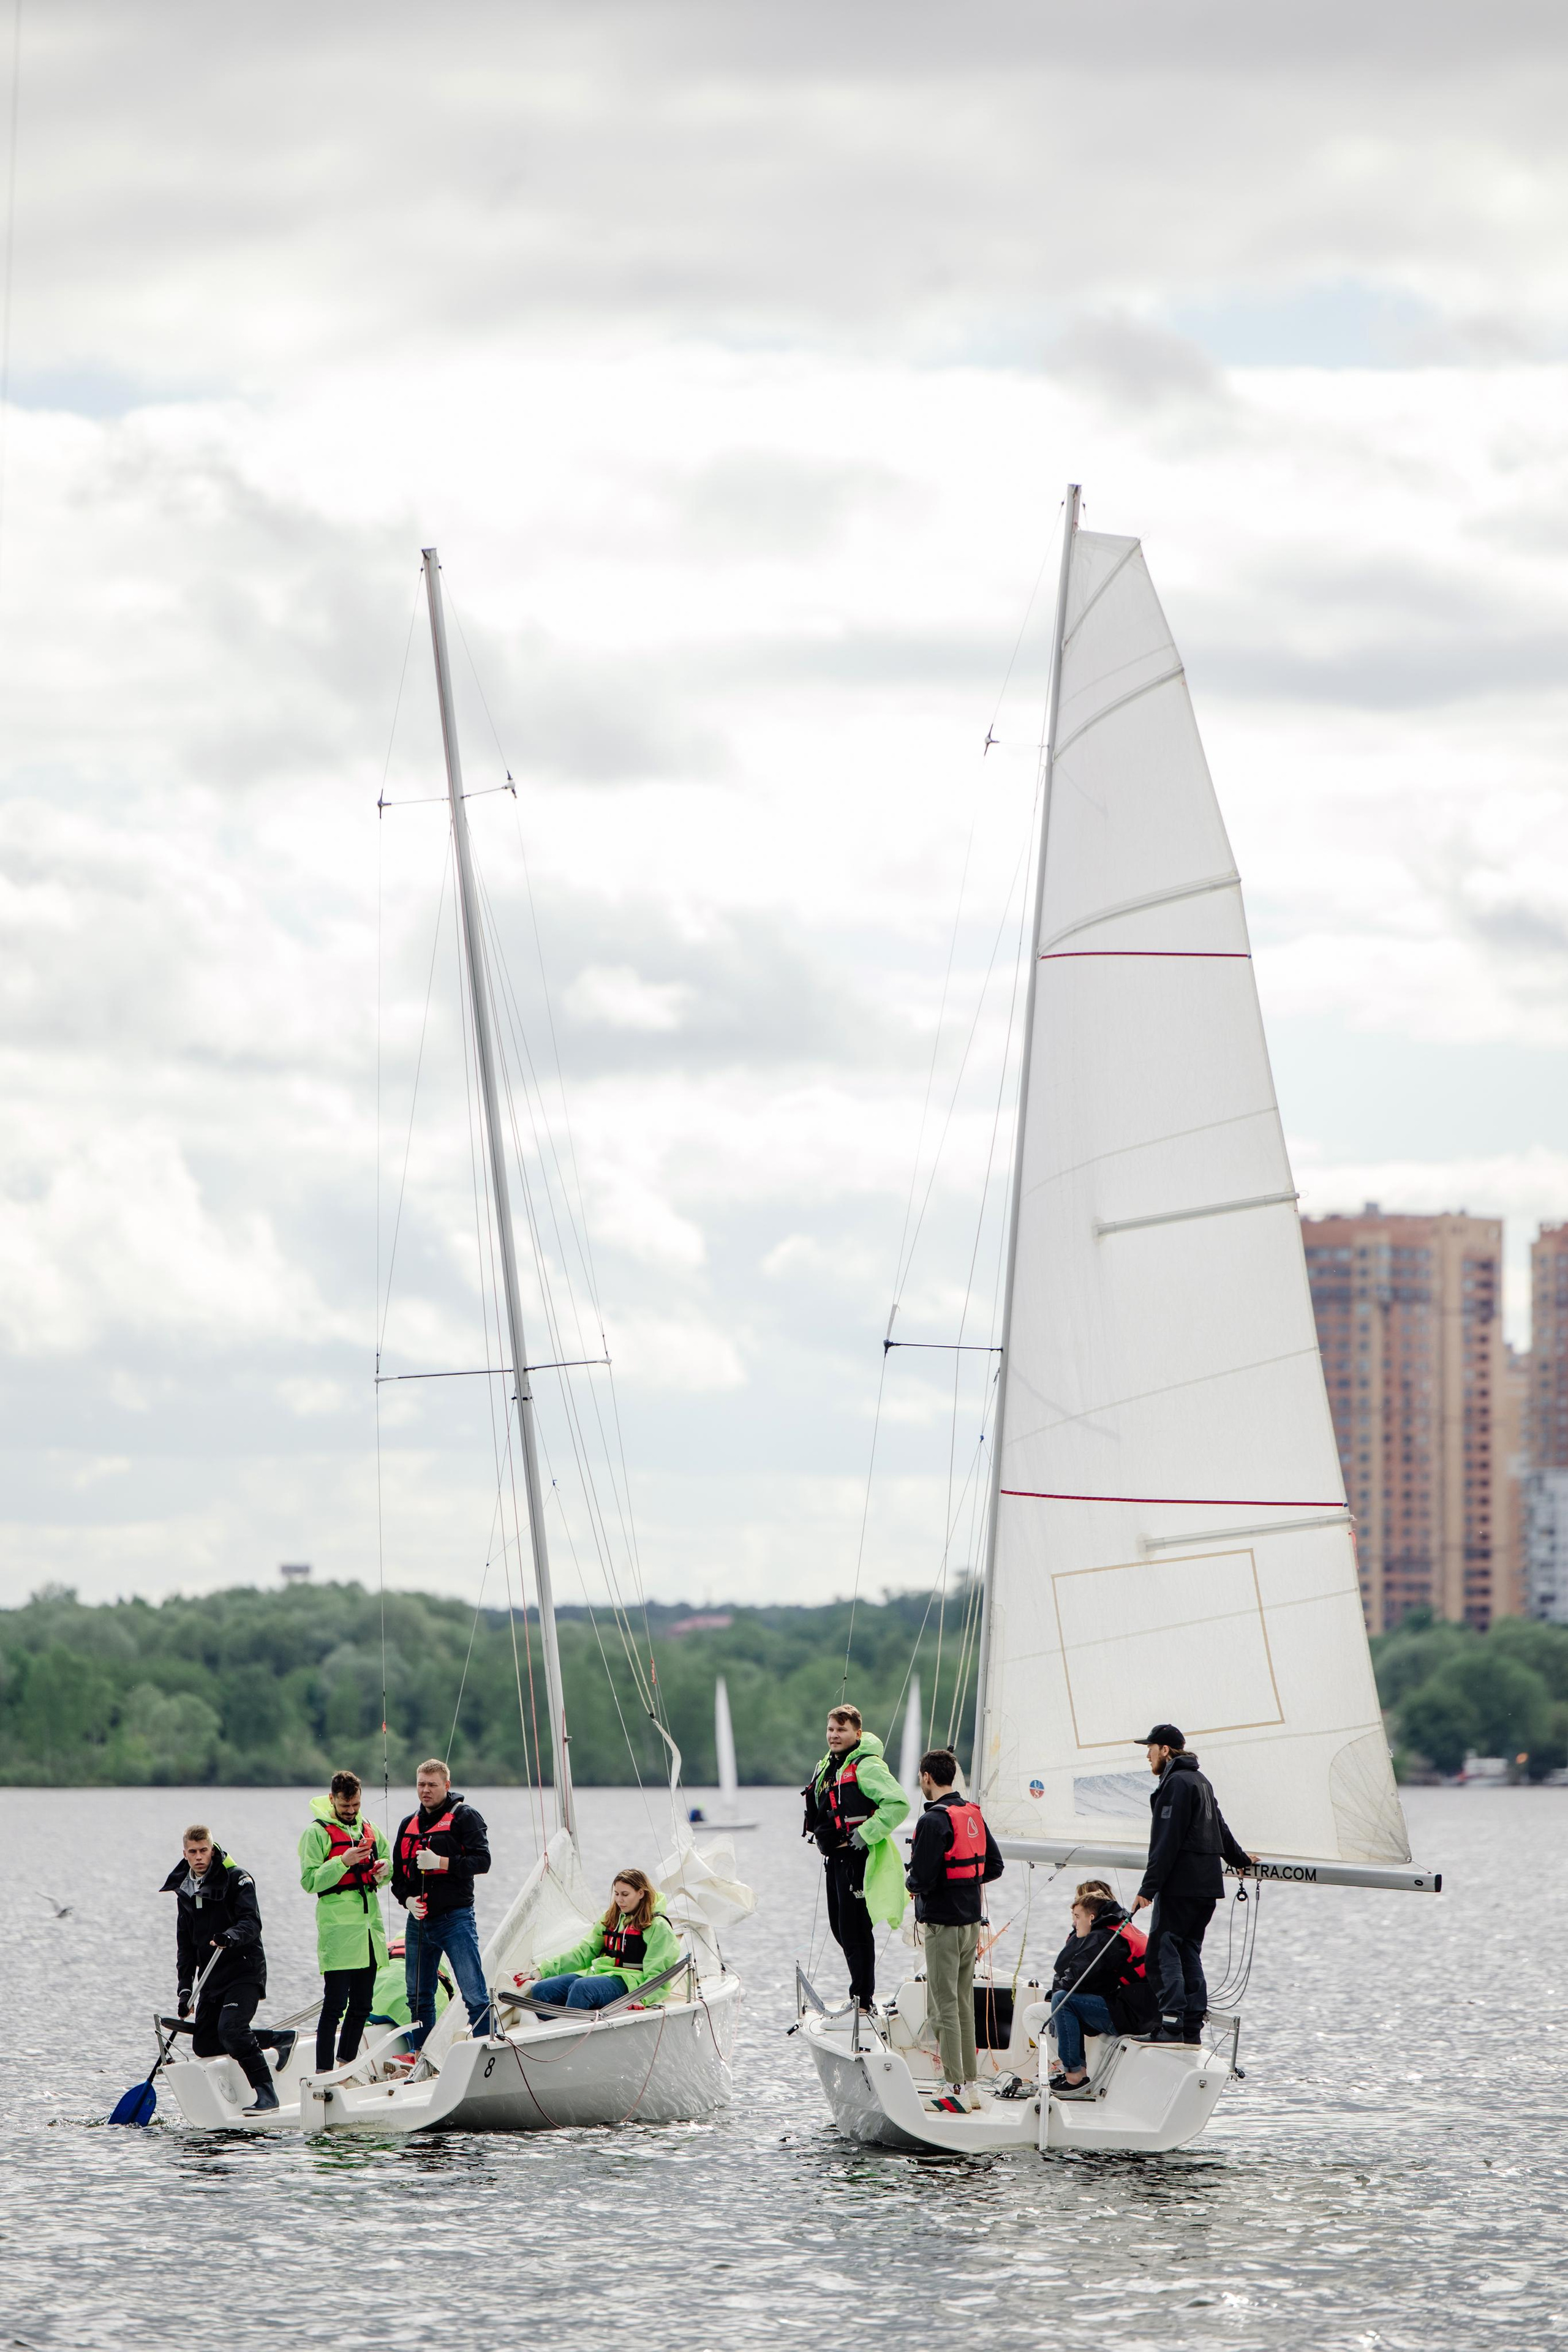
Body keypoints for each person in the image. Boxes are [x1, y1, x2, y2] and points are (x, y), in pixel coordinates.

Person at [1130, 1722, 1255, 2046]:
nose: (1147, 1755)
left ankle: (1170, 2027)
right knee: (1188, 1953)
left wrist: (1148, 1889)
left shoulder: (1176, 1784)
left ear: (1166, 1750)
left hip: (1181, 1887)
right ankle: (1190, 2029)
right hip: (1206, 1887)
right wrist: (1240, 1860)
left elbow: (1166, 1843)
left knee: (1162, 1955)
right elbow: (1221, 1828)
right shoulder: (1200, 1780)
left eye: (1150, 1748)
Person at [159, 1824, 295, 2116]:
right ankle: (277, 2039)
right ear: (184, 1854)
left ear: (212, 1848)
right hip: (211, 1976)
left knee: (231, 2030)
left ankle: (267, 2095)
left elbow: (252, 1923)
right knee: (205, 2044)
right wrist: (185, 1991)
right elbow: (186, 1946)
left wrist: (230, 1936)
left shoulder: (238, 1878)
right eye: (193, 1852)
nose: (199, 1857)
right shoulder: (184, 1889)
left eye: (204, 1851)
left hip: (244, 1971)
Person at [904, 1746, 1003, 2114]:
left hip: (944, 1925)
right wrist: (963, 1883)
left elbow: (923, 1878)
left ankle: (955, 2089)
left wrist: (911, 1882)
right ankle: (971, 2087)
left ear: (927, 1777)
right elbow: (994, 1866)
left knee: (942, 2006)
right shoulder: (971, 1812)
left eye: (920, 1777)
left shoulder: (933, 1820)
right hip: (971, 1923)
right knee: (962, 2004)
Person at [801, 1703, 910, 2012]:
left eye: (842, 1730)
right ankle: (860, 1995)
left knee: (855, 1929)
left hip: (857, 1858)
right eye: (831, 1730)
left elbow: (898, 1804)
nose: (834, 1736)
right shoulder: (829, 1763)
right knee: (840, 1928)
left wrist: (868, 1832)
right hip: (834, 1859)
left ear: (857, 1733)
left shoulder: (867, 1766)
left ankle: (863, 2001)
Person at [391, 1758, 494, 2054]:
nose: (425, 1791)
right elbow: (398, 1877)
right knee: (419, 1996)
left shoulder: (465, 1817)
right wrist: (407, 1901)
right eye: (421, 1784)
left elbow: (483, 1862)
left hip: (456, 1919)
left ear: (446, 1786)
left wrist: (441, 1863)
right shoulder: (407, 1824)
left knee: (473, 1992)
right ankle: (422, 2052)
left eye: (432, 1785)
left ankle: (486, 2048)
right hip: (419, 1921)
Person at [298, 1768, 391, 2075]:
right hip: (338, 1932)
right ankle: (324, 2072)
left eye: (355, 1806)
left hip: (369, 1929)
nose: (350, 1812)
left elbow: (389, 1864)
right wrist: (343, 1861)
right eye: (344, 1806)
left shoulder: (370, 1829)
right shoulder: (316, 1833)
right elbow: (310, 1881)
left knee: (363, 2005)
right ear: (332, 1799)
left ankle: (345, 2066)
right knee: (335, 2005)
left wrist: (383, 1869)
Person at [513, 1867, 682, 2011]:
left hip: (632, 1982)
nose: (619, 1900)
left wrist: (642, 1998)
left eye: (625, 1894)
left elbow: (659, 1973)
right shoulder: (611, 1918)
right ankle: (553, 2032)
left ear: (640, 1893)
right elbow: (583, 1953)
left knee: (582, 1988)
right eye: (616, 1894)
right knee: (543, 1990)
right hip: (602, 1974)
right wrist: (543, 1971)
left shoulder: (658, 1926)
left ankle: (572, 2034)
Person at [1047, 1890, 1150, 2095]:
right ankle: (1075, 2071)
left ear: (1091, 1917)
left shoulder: (1102, 1939)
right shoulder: (1116, 1931)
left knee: (1062, 2000)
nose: (1075, 1923)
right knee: (1068, 2002)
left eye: (1077, 1917)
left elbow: (1075, 1979)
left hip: (1134, 2017)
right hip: (1140, 2012)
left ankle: (1075, 2077)